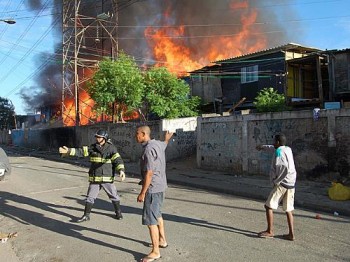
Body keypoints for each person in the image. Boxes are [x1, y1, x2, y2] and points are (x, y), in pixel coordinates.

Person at [59, 129, 126, 222]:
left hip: (106, 178)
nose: (97, 138)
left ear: (104, 138)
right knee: (90, 197)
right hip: (95, 177)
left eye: (99, 137)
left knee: (114, 196)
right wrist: (69, 150)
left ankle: (118, 213)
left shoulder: (111, 148)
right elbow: (81, 151)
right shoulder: (93, 147)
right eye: (96, 137)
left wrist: (121, 170)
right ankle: (86, 215)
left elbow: (118, 160)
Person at [135, 126, 173, 262]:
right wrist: (167, 139)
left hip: (153, 188)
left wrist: (142, 193)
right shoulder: (157, 144)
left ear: (144, 134)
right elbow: (165, 144)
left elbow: (149, 173)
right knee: (157, 214)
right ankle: (162, 240)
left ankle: (155, 251)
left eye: (137, 134)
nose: (136, 136)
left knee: (151, 220)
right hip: (161, 186)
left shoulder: (149, 149)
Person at [256, 134, 297, 241]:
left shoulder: (279, 152)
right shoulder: (287, 149)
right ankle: (291, 234)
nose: (273, 143)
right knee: (288, 209)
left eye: (274, 141)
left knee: (268, 206)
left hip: (282, 183)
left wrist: (276, 181)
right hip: (291, 183)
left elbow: (284, 167)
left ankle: (270, 231)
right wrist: (262, 147)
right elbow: (272, 147)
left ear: (278, 142)